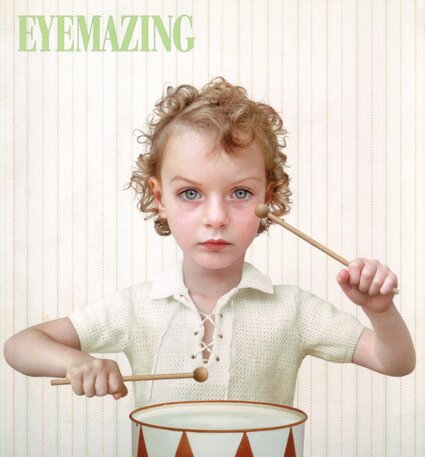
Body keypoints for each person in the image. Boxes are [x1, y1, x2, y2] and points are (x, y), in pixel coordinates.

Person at [3, 78, 415, 407]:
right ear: (160, 198)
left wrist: (380, 311)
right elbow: (20, 346)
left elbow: (395, 362)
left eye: (240, 193)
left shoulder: (294, 311)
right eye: (190, 193)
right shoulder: (135, 309)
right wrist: (77, 362)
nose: (216, 217)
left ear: (268, 197)